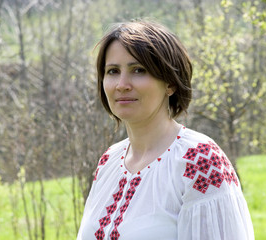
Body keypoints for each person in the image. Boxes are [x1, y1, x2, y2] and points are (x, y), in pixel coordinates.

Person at [77, 20, 254, 240]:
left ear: (170, 83)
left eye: (138, 70)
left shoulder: (200, 160)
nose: (122, 84)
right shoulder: (108, 162)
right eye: (113, 71)